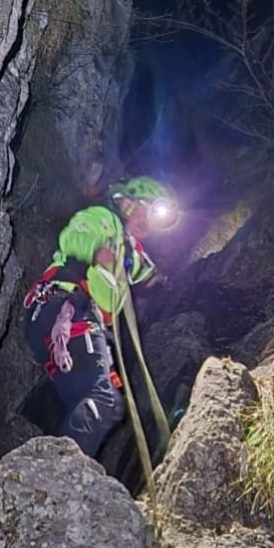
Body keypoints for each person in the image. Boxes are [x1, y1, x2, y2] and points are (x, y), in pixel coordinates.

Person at [22, 176, 175, 458]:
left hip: (68, 320)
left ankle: (52, 465)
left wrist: (161, 278)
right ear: (129, 204)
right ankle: (59, 473)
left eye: (156, 221)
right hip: (65, 307)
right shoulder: (106, 221)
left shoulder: (130, 250)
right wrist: (94, 251)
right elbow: (75, 237)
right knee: (102, 399)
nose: (150, 223)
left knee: (98, 402)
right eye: (148, 210)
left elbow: (144, 269)